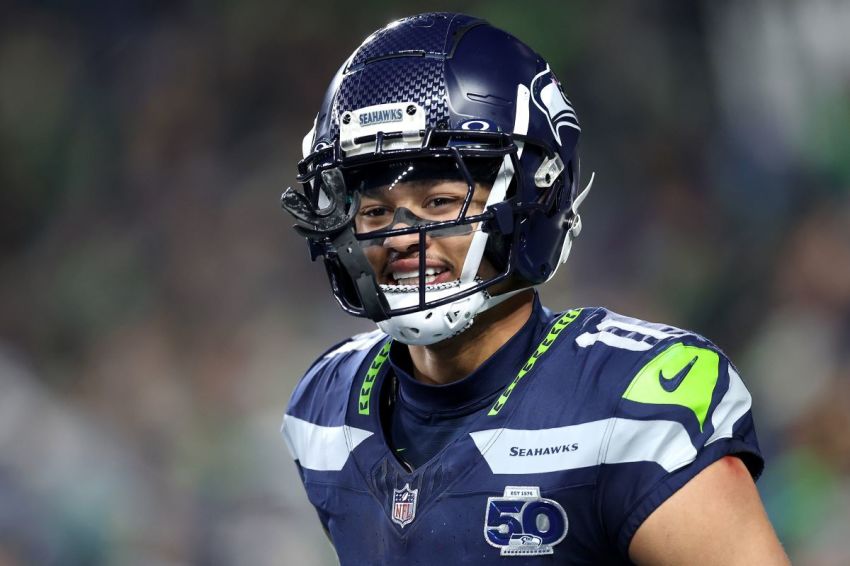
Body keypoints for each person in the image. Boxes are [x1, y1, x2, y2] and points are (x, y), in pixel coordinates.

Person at [280, 12, 789, 565]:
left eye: (440, 202)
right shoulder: (325, 411)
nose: (401, 238)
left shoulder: (631, 400)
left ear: (532, 199)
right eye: (374, 211)